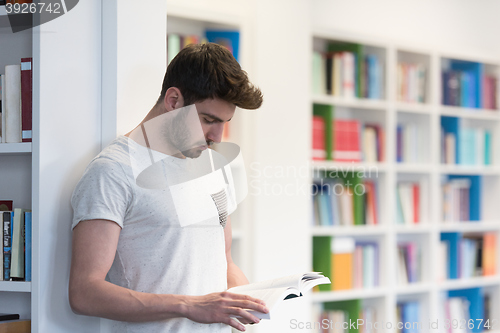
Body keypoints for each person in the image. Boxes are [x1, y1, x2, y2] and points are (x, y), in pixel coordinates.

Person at [68, 43, 268, 333]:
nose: (216, 136)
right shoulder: (113, 171)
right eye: (208, 119)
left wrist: (252, 303)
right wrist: (188, 306)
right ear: (174, 100)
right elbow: (84, 293)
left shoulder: (214, 166)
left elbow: (224, 261)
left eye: (224, 123)